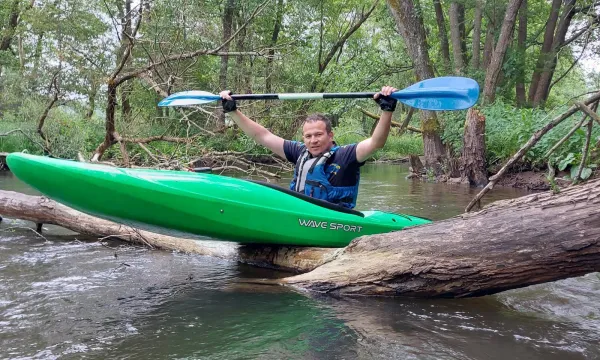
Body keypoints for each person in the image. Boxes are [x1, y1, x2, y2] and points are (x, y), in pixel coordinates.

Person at [219, 86, 397, 209]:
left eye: (318, 135)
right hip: (299, 215)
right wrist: (233, 111)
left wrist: (386, 110)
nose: (313, 140)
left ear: (330, 135)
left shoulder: (346, 156)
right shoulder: (299, 152)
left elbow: (376, 143)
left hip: (332, 219)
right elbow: (262, 136)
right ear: (303, 138)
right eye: (308, 136)